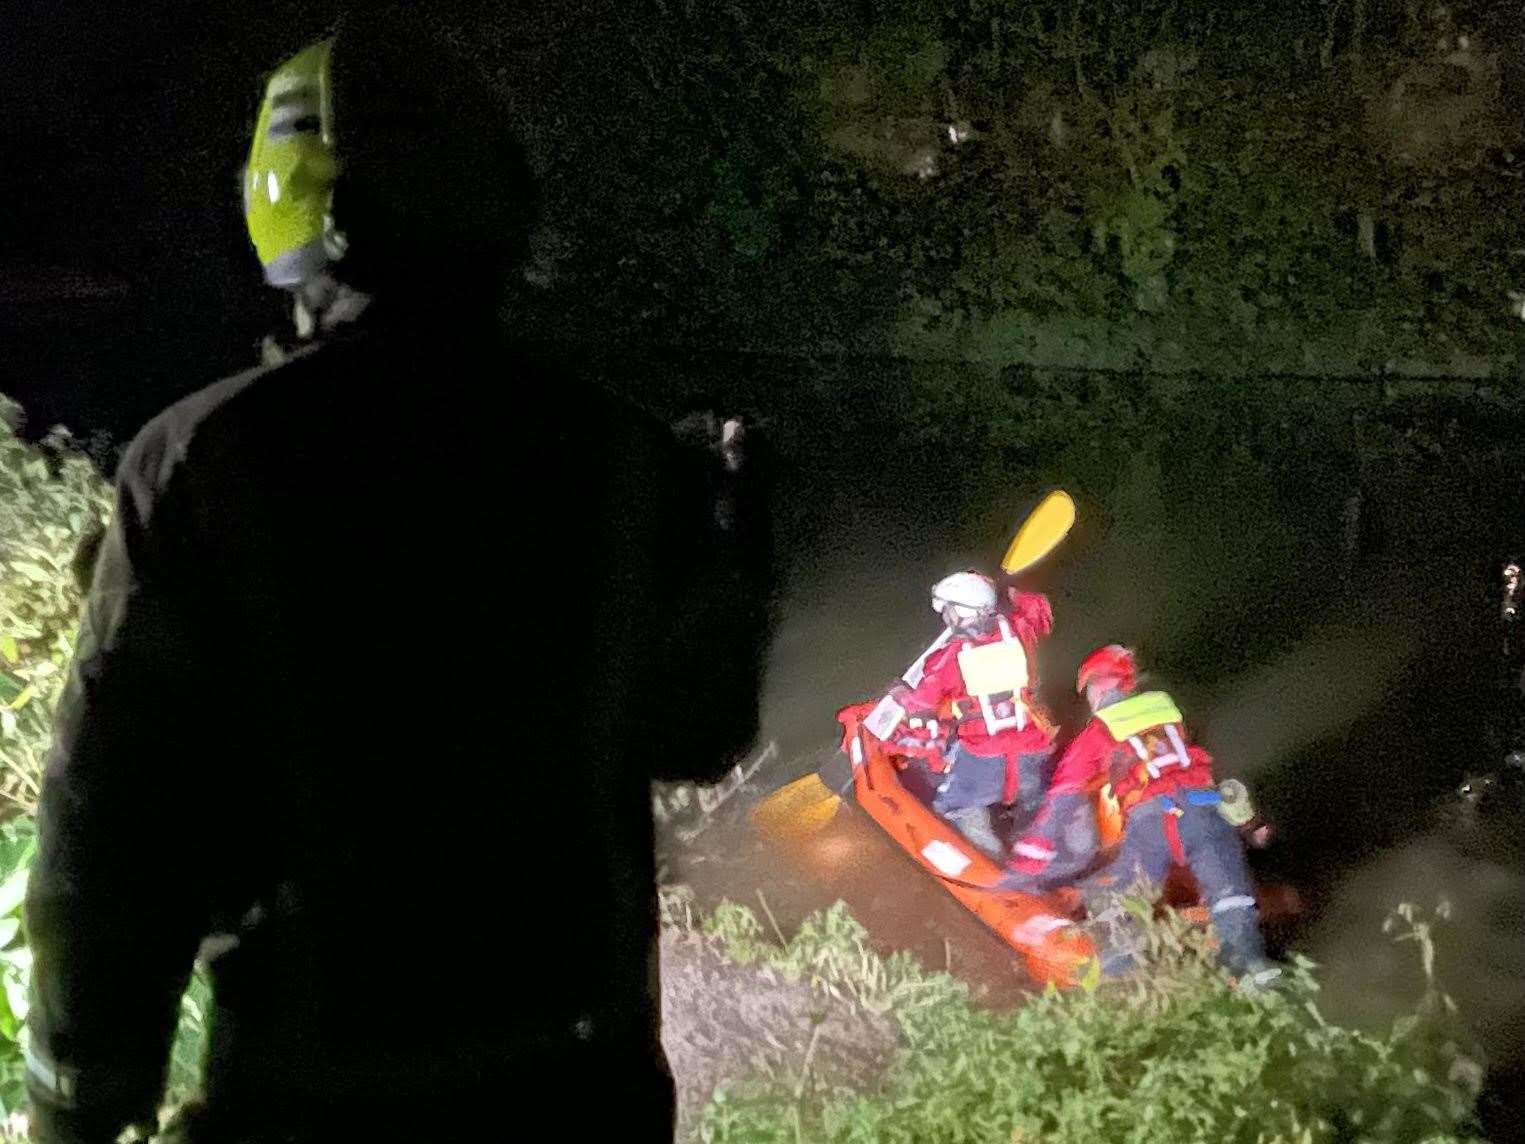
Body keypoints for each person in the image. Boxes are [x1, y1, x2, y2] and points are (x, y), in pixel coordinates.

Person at [23, 19, 773, 1144]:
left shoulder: (206, 464)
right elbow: (698, 733)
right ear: (500, 206)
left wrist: (79, 1104)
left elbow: (113, 835)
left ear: (284, 207)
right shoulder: (620, 459)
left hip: (315, 1098)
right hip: (579, 1096)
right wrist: (742, 549)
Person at [1005, 645, 1278, 984]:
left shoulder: (1099, 730)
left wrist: (1026, 864)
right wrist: (1251, 824)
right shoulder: (1166, 708)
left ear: (1100, 686)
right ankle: (1252, 970)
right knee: (1231, 895)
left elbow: (1062, 796)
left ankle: (1113, 977)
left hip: (1152, 821)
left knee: (1125, 901)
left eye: (1090, 689)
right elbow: (1200, 765)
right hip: (1204, 812)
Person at [890, 570, 1056, 857]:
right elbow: (1038, 609)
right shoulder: (1017, 630)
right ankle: (1036, 853)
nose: (946, 618)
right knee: (1033, 806)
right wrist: (1010, 591)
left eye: (949, 611)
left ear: (961, 614)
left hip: (985, 754)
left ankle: (990, 863)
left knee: (958, 807)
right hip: (1033, 746)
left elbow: (922, 703)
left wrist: (900, 693)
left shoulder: (949, 658)